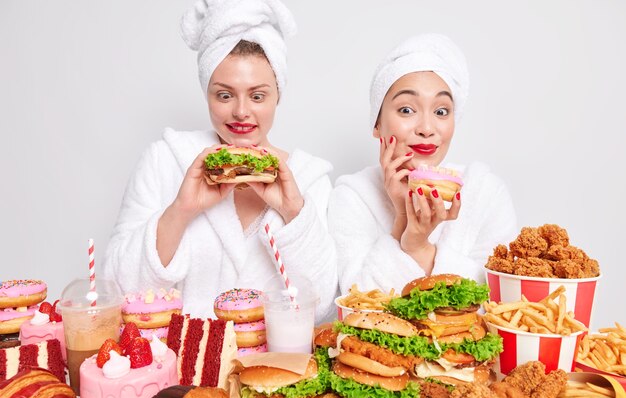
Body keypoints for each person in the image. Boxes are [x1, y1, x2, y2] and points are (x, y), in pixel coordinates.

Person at [103, 0, 337, 322]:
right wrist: (181, 211)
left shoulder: (309, 180)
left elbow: (320, 306)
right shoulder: (165, 160)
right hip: (181, 363)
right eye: (224, 95)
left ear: (277, 96)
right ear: (206, 93)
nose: (241, 111)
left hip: (271, 365)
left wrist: (293, 212)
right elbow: (115, 288)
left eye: (258, 96)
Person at [328, 33, 516, 294]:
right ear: (377, 124)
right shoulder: (351, 197)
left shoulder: (485, 192)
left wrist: (419, 248)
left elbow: (498, 301)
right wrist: (403, 223)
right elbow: (357, 307)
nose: (427, 128)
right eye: (407, 110)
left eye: (441, 111)